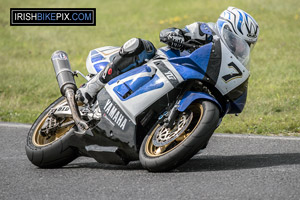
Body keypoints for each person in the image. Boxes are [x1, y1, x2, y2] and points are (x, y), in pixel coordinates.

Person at [76, 6, 259, 104]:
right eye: (237, 40)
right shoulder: (203, 30)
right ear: (225, 29)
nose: (240, 48)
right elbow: (167, 32)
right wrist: (175, 35)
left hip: (190, 80)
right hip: (164, 64)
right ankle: (93, 86)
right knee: (141, 46)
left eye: (246, 45)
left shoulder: (232, 60)